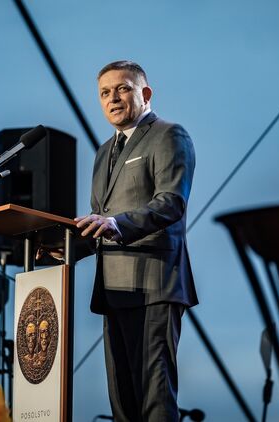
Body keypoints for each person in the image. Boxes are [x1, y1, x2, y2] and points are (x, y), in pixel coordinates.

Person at [74, 60, 198, 422]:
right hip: (114, 288)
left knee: (154, 397)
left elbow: (170, 202)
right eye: (104, 93)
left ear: (145, 93)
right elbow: (100, 217)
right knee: (123, 403)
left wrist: (117, 224)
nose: (113, 98)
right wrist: (61, 248)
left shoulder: (168, 135)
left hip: (154, 283)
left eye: (122, 88)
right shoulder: (103, 152)